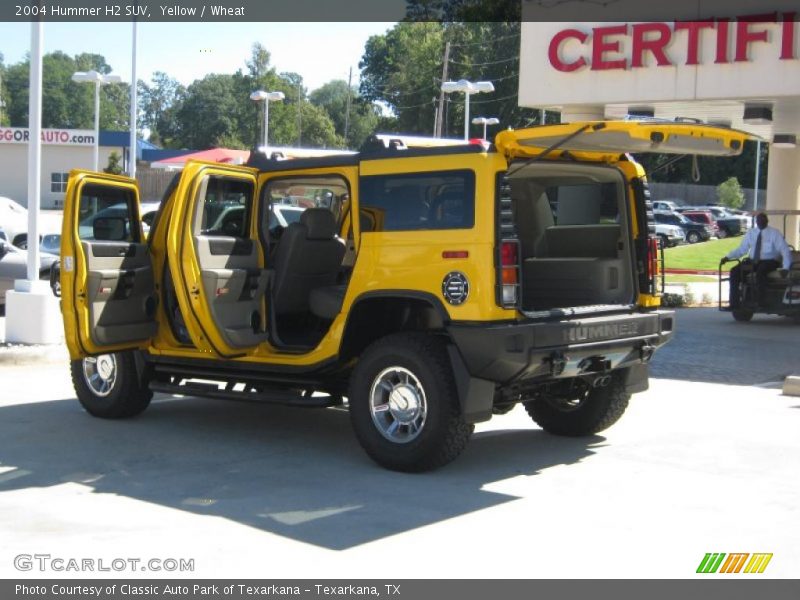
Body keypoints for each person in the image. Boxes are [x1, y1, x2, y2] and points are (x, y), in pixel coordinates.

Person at [721, 212, 792, 308]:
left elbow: (784, 250)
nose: (761, 222)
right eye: (759, 221)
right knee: (735, 272)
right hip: (753, 261)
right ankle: (734, 303)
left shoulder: (774, 233)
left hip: (770, 261)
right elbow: (742, 249)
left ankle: (761, 302)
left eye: (763, 220)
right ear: (756, 222)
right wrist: (728, 257)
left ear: (767, 221)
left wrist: (786, 267)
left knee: (760, 272)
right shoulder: (751, 233)